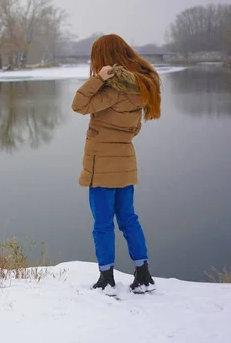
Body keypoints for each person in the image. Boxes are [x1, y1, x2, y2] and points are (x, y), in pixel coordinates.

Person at [71, 34, 161, 294]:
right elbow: (135, 129)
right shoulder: (140, 88)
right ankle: (143, 273)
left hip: (101, 164)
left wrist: (99, 78)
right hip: (125, 161)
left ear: (104, 58)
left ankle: (106, 277)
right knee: (129, 219)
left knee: (102, 223)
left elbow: (78, 105)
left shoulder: (112, 90)